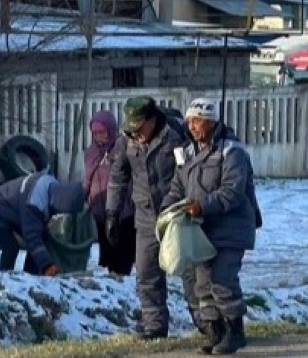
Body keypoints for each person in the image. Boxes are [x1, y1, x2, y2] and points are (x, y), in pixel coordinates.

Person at [164, 97, 259, 355]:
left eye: (197, 121)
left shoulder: (233, 152)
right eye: (189, 121)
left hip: (231, 229)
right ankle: (215, 332)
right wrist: (167, 209)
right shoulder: (187, 153)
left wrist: (202, 206)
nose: (192, 126)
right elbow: (177, 187)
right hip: (201, 231)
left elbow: (232, 192)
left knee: (222, 278)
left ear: (211, 121)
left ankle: (235, 331)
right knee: (202, 284)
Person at [107, 96, 199, 341]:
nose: (135, 134)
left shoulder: (176, 136)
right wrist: (111, 213)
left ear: (151, 120)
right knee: (147, 273)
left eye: (139, 128)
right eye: (131, 129)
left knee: (190, 271)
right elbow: (117, 177)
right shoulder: (126, 141)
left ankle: (205, 322)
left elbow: (190, 172)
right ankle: (154, 325)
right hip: (145, 216)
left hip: (177, 213)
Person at [0, 171, 84, 276]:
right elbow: (31, 237)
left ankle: (31, 275)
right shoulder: (34, 203)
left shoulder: (51, 186)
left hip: (12, 207)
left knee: (41, 237)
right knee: (11, 247)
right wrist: (48, 265)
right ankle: (5, 280)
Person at [83, 110, 135, 276]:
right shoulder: (91, 152)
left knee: (123, 246)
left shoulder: (123, 147)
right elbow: (87, 177)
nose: (99, 136)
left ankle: (123, 275)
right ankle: (111, 274)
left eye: (102, 132)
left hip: (122, 207)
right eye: (95, 133)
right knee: (106, 246)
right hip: (99, 208)